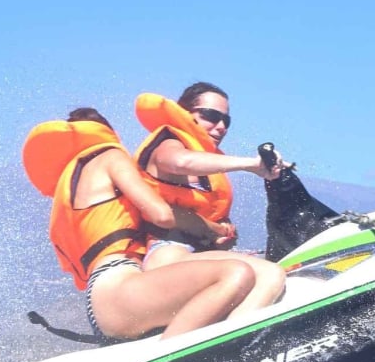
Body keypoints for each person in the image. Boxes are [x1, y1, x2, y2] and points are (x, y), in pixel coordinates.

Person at [22, 108, 257, 341]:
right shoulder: (110, 155)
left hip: (106, 296)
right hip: (119, 287)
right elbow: (161, 215)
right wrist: (214, 229)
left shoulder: (73, 183)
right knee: (235, 274)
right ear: (108, 131)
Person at [132, 83, 288, 308]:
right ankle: (236, 342)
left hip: (197, 255)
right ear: (185, 114)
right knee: (270, 275)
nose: (221, 126)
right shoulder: (168, 143)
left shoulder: (208, 159)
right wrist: (251, 164)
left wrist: (220, 231)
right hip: (169, 254)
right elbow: (181, 162)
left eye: (227, 120)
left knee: (273, 272)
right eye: (211, 116)